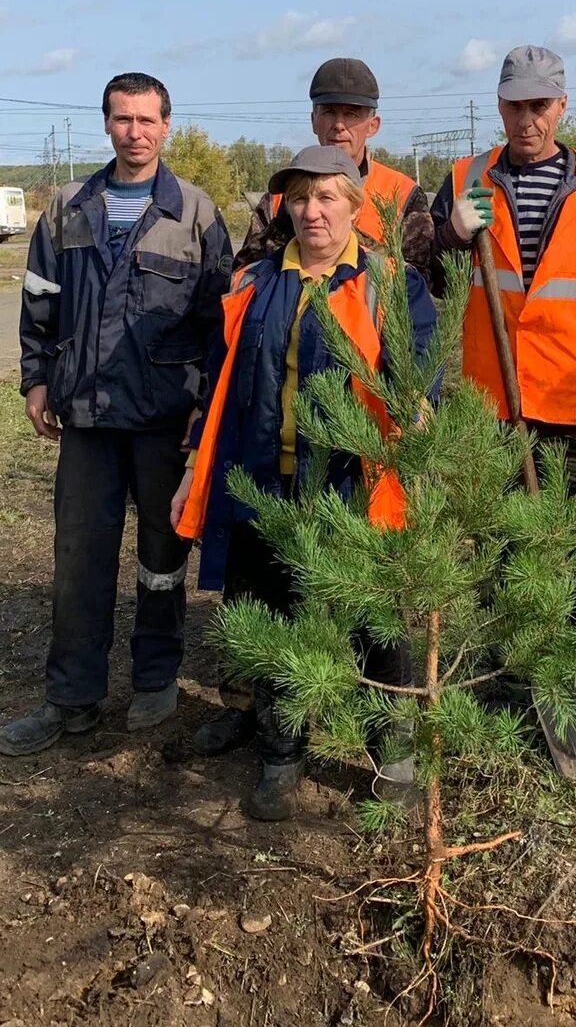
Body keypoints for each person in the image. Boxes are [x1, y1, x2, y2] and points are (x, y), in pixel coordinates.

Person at [173, 145, 437, 821]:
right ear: (282, 208)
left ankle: (390, 750)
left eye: (325, 198)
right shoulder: (254, 284)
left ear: (354, 204)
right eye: (298, 199)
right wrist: (192, 472)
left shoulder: (390, 284)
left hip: (356, 485)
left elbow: (420, 379)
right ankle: (281, 751)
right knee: (271, 617)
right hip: (265, 480)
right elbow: (221, 386)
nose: (311, 212)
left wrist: (417, 403)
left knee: (375, 623)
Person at [0, 72, 232, 757]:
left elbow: (218, 325)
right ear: (106, 124)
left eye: (147, 120)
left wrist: (203, 414)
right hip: (87, 421)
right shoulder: (68, 206)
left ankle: (156, 679)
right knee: (78, 561)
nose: (135, 132)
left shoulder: (195, 213)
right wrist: (36, 380)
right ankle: (70, 697)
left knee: (162, 559)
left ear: (166, 126)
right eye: (122, 119)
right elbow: (39, 300)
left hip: (163, 419)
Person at [430, 44, 576, 617]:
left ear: (562, 106)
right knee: (507, 565)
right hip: (498, 410)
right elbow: (428, 280)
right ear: (499, 108)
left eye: (538, 106)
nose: (526, 120)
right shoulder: (464, 181)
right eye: (514, 106)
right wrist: (450, 237)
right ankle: (515, 693)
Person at [236, 57, 432, 282]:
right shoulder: (280, 197)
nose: (339, 124)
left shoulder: (403, 194)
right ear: (313, 121)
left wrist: (341, 238)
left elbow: (420, 282)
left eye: (351, 114)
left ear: (373, 125)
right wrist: (286, 225)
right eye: (329, 112)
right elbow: (244, 276)